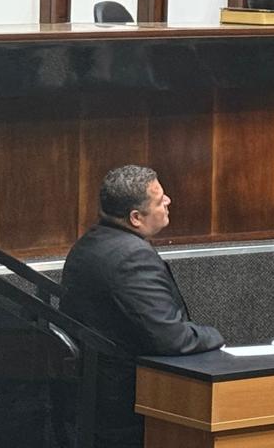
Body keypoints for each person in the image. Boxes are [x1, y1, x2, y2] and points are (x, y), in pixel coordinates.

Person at [61, 166, 224, 448]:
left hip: (90, 401)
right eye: (160, 200)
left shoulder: (90, 243)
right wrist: (216, 336)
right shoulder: (132, 257)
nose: (169, 201)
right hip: (129, 408)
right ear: (136, 218)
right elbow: (170, 338)